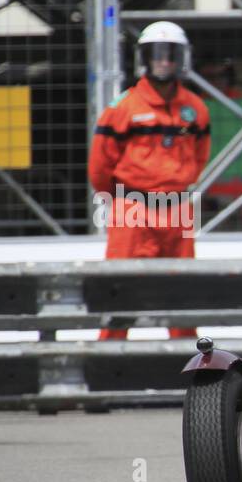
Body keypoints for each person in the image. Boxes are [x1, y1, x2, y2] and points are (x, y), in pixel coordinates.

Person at [88, 20, 210, 339]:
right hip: (132, 209)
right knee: (120, 292)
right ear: (144, 57)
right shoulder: (122, 108)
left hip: (177, 209)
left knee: (182, 294)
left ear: (182, 58)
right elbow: (100, 166)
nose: (164, 61)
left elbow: (199, 157)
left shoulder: (195, 109)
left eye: (171, 54)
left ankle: (189, 367)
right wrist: (124, 198)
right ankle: (108, 363)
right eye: (157, 53)